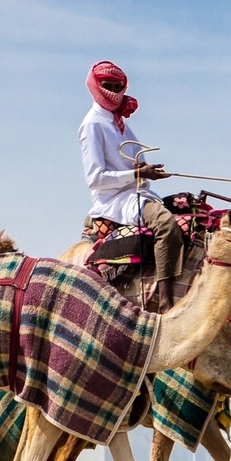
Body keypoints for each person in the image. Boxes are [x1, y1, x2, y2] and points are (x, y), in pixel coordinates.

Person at [78, 61, 184, 299]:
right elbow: (96, 179)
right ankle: (167, 301)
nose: (113, 92)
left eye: (118, 87)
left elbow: (127, 162)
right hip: (115, 200)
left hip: (137, 193)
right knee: (166, 225)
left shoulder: (120, 124)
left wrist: (146, 171)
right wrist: (139, 173)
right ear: (94, 86)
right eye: (107, 86)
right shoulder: (92, 125)